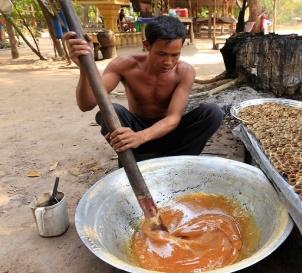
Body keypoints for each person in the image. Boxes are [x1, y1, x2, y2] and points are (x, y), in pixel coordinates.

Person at [64, 16, 223, 164]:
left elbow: (173, 118)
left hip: (168, 133)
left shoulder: (185, 71)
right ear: (147, 46)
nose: (168, 62)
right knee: (111, 111)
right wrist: (85, 68)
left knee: (212, 112)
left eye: (175, 55)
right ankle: (132, 160)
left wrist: (141, 137)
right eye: (161, 54)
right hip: (134, 133)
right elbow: (87, 105)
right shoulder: (124, 65)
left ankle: (180, 162)